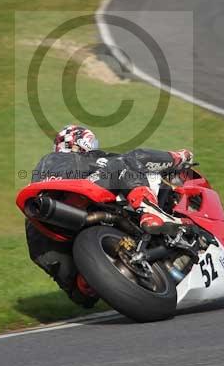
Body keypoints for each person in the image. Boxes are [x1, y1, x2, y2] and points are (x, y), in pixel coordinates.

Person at [24, 124, 194, 306]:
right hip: (80, 199)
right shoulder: (79, 158)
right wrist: (178, 158)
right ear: (80, 142)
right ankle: (149, 211)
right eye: (92, 142)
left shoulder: (45, 170)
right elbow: (134, 160)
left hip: (43, 226)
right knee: (128, 161)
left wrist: (87, 284)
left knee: (77, 289)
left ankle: (85, 283)